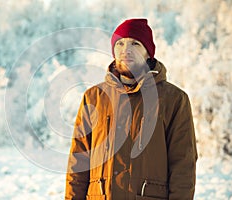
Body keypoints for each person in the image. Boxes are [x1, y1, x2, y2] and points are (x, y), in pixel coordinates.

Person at [65, 18, 197, 200]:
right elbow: (78, 162)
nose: (125, 50)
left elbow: (183, 166)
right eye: (120, 43)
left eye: (135, 43)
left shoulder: (174, 100)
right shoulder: (94, 97)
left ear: (148, 53)